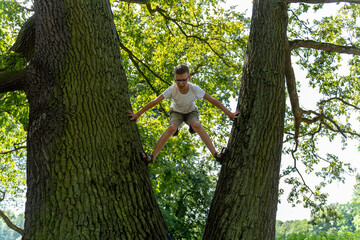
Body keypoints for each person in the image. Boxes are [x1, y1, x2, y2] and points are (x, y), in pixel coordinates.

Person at [128, 64, 239, 164]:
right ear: (175, 79)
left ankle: (216, 155)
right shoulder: (172, 89)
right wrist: (137, 114)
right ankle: (152, 157)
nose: (180, 83)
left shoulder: (194, 89)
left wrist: (229, 114)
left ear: (189, 78)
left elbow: (213, 100)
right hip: (176, 113)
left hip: (191, 112)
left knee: (196, 125)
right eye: (178, 80)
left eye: (183, 80)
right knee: (172, 128)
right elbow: (155, 101)